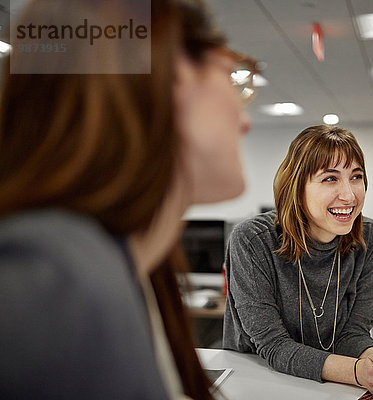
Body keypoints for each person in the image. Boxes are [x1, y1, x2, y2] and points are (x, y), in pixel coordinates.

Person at [0, 0, 255, 398]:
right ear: (174, 74)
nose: (246, 114)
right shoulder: (54, 284)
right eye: (233, 75)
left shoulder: (135, 269)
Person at [223, 125, 373, 400]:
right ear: (296, 187)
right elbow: (273, 346)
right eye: (330, 179)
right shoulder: (252, 240)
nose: (349, 195)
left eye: (356, 177)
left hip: (328, 386)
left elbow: (353, 333)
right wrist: (358, 372)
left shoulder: (369, 238)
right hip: (258, 380)